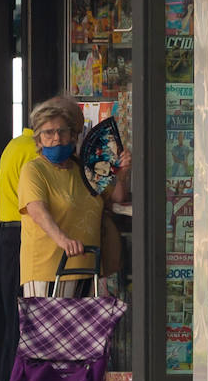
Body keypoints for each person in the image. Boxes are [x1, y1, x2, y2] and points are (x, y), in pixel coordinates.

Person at [18, 97, 131, 296]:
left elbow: (117, 197)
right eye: (48, 133)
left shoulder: (84, 168)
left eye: (62, 131)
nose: (56, 138)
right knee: (51, 327)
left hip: (90, 266)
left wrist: (121, 175)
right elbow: (37, 211)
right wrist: (63, 240)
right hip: (49, 269)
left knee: (86, 328)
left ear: (72, 135)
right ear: (38, 139)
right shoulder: (34, 170)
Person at [0, 124, 41, 381]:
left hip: (9, 234)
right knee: (22, 329)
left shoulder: (14, 145)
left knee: (15, 327)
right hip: (23, 236)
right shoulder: (32, 152)